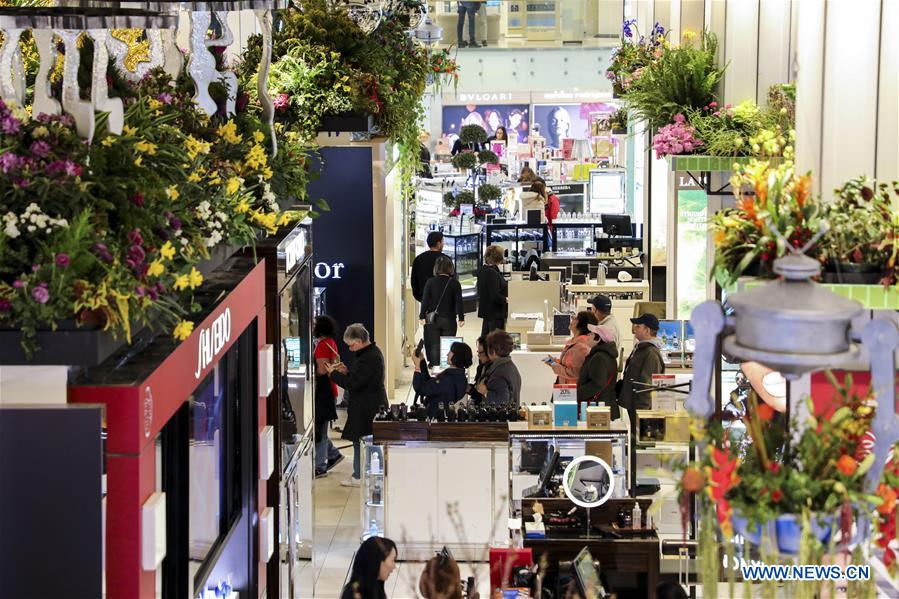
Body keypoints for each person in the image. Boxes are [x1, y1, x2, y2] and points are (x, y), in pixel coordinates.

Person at [327, 323, 387, 487]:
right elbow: (359, 377)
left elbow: (354, 384)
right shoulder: (370, 354)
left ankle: (360, 475)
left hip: (367, 406)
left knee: (362, 440)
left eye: (351, 345)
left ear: (360, 341)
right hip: (368, 403)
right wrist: (347, 371)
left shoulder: (368, 358)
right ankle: (365, 473)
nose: (350, 349)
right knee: (365, 441)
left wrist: (333, 375)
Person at [313, 315, 344, 478]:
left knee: (319, 430)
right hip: (329, 390)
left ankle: (320, 465)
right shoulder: (331, 342)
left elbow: (322, 370)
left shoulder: (323, 345)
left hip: (323, 391)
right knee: (320, 428)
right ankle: (333, 454)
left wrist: (311, 373)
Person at [419, 255, 465, 365]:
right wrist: (461, 318)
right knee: (448, 345)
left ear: (436, 268)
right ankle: (446, 367)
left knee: (434, 346)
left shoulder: (430, 282)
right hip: (449, 319)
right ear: (450, 267)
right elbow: (459, 302)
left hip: (432, 319)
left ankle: (436, 370)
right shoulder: (454, 283)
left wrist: (421, 316)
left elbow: (424, 300)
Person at [617, 313, 666, 411]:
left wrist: (642, 412)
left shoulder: (651, 353)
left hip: (640, 408)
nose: (634, 329)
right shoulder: (641, 348)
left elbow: (647, 385)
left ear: (647, 330)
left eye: (638, 326)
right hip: (633, 404)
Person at [413, 341, 473, 418]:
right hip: (441, 415)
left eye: (451, 352)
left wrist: (417, 367)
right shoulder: (459, 376)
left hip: (433, 417)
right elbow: (430, 382)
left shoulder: (448, 379)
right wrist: (422, 361)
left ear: (457, 357)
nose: (447, 354)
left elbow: (420, 389)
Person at [577, 324, 619, 419]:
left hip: (598, 410)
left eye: (591, 333)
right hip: (603, 406)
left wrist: (576, 393)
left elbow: (597, 384)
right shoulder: (605, 355)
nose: (588, 335)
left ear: (599, 339)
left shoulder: (599, 357)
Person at [544, 310, 598, 385]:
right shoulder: (574, 343)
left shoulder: (582, 348)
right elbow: (569, 364)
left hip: (572, 392)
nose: (572, 319)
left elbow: (575, 373)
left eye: (576, 318)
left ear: (582, 324)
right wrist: (554, 361)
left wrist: (554, 365)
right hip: (565, 389)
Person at [475, 330, 521, 406]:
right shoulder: (510, 365)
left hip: (501, 417)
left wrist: (485, 392)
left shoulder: (499, 373)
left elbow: (501, 401)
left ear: (492, 351)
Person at [476, 245, 508, 336]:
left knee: (486, 338)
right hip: (495, 312)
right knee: (494, 341)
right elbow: (494, 295)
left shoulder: (483, 270)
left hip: (487, 311)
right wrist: (506, 299)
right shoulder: (492, 273)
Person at [411, 231, 449, 304]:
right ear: (438, 244)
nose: (443, 244)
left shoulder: (418, 259)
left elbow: (414, 281)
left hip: (425, 300)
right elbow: (452, 281)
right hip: (443, 302)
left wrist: (420, 298)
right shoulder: (446, 259)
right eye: (442, 242)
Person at [529, 180, 560, 250]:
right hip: (541, 230)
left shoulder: (552, 199)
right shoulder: (539, 200)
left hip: (547, 230)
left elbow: (553, 217)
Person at [467, 336, 490, 403]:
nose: (478, 355)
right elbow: (477, 391)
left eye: (480, 353)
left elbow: (481, 395)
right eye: (478, 352)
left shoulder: (495, 371)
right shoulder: (481, 367)